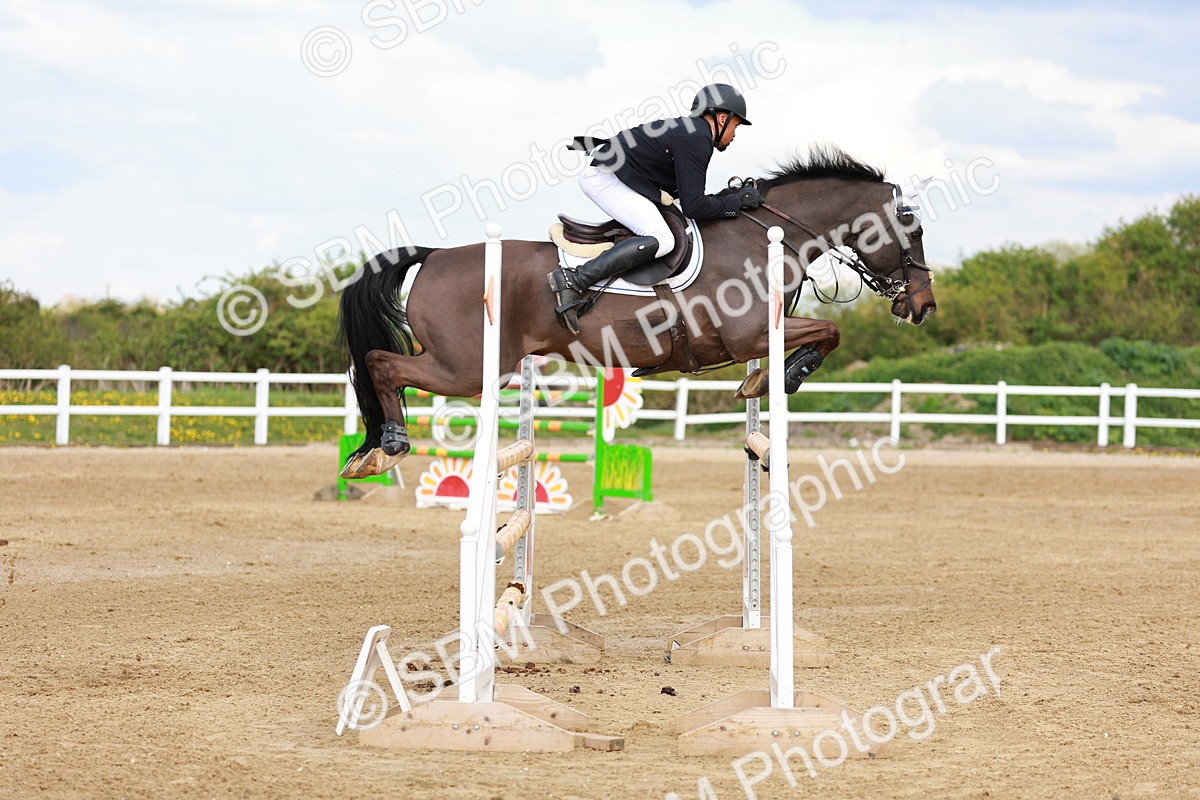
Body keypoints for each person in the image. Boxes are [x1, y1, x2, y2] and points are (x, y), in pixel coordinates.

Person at [548, 83, 764, 334]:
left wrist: (727, 198)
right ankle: (575, 280)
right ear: (722, 118)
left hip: (612, 171)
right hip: (604, 176)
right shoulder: (698, 138)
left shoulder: (691, 131)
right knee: (663, 239)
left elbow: (688, 197)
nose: (735, 134)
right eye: (736, 126)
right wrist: (736, 202)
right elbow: (695, 205)